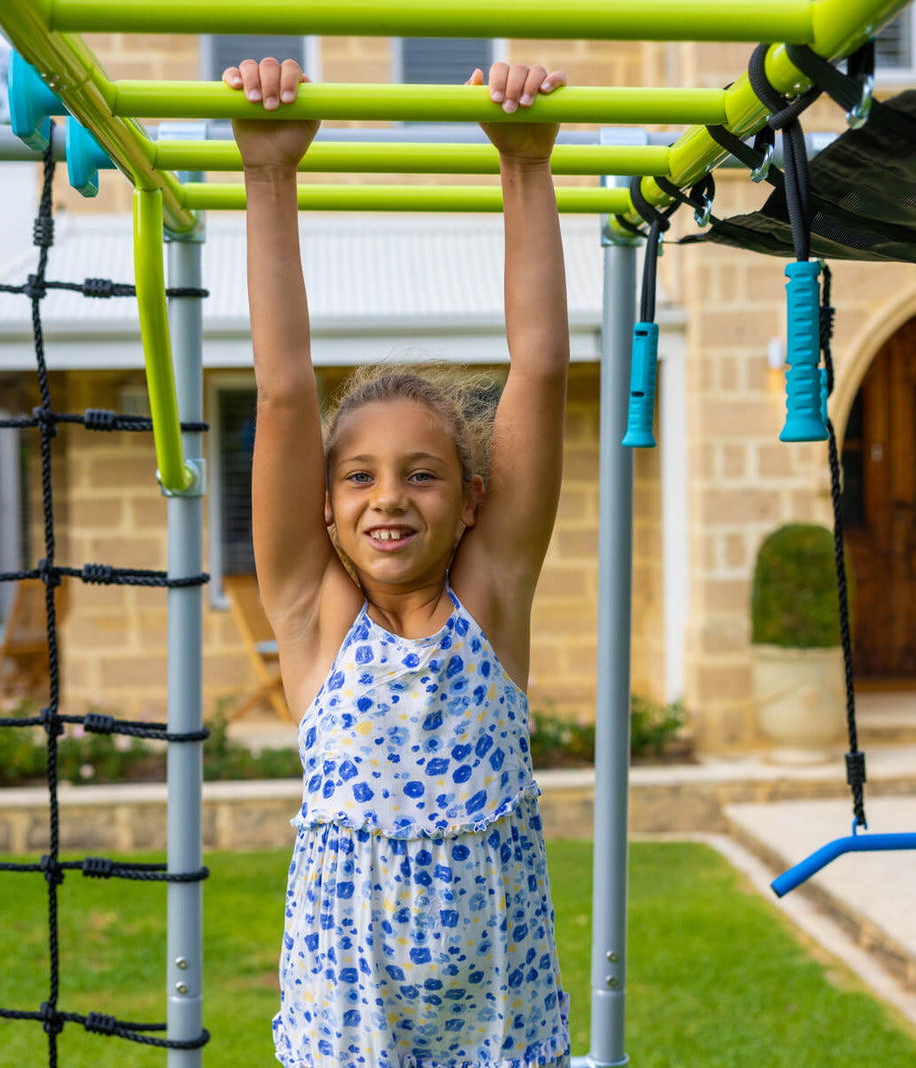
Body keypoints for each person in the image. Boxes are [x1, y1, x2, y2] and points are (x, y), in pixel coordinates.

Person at [226, 54, 575, 1068]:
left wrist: (523, 165)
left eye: (422, 475)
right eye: (359, 479)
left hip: (495, 1005)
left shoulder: (492, 597)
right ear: (324, 511)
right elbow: (286, 390)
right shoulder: (313, 616)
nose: (388, 496)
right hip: (350, 1008)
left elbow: (540, 368)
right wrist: (269, 176)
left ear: (471, 503)